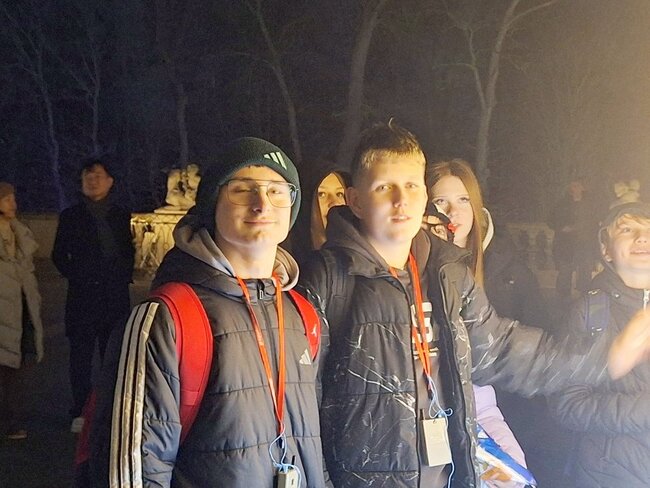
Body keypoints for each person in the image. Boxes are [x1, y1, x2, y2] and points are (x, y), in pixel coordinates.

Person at [299, 120, 650, 488]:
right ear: (355, 200)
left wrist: (603, 360)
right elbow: (304, 401)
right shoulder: (328, 279)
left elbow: (503, 350)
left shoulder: (447, 273)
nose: (401, 200)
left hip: (448, 472)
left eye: (412, 185)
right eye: (384, 187)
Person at [90, 137, 329, 487]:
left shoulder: (302, 316)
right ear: (212, 204)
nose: (262, 204)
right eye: (242, 189)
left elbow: (314, 448)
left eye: (277, 191)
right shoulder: (165, 319)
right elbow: (132, 473)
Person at [424, 166, 529, 486]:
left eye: (463, 200)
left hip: (483, 408)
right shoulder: (410, 272)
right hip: (428, 414)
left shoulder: (505, 271)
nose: (452, 212)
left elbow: (514, 352)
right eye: (440, 201)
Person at [553, 201, 650, 487]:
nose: (642, 237)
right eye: (627, 229)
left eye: (649, 229)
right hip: (614, 473)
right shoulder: (591, 312)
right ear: (606, 250)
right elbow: (568, 404)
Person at [52, 159, 134, 433]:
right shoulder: (71, 216)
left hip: (113, 297)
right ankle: (80, 409)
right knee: (81, 358)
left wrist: (121, 276)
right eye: (88, 176)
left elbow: (127, 251)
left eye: (98, 176)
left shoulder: (119, 215)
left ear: (110, 181)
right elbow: (58, 255)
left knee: (112, 357)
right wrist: (79, 275)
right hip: (82, 298)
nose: (93, 181)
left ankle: (109, 409)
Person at [0, 182, 44, 440]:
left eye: (13, 198)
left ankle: (13, 420)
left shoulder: (20, 233)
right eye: (7, 199)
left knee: (16, 368)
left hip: (22, 310)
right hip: (5, 310)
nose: (13, 204)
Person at [548, 178, 599, 302]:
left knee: (585, 270)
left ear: (583, 188)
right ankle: (562, 297)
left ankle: (584, 296)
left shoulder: (591, 204)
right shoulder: (562, 204)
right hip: (566, 243)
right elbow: (551, 220)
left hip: (585, 242)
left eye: (577, 185)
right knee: (565, 270)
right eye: (572, 186)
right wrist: (562, 227)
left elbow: (595, 222)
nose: (574, 188)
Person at [290, 163, 350, 264]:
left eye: (339, 194)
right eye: (322, 194)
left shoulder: (357, 257)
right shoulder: (286, 263)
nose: (335, 203)